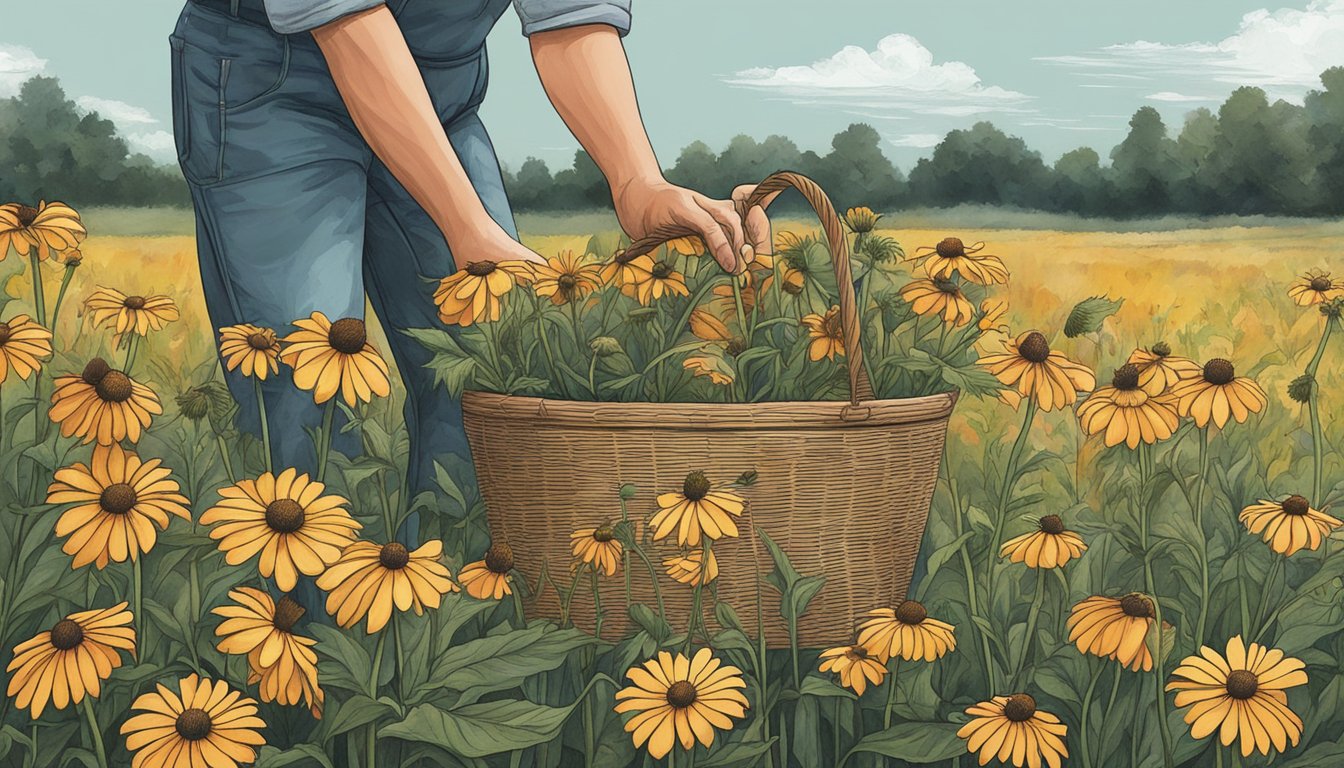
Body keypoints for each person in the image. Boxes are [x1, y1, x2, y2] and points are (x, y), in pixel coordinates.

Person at [170, 0, 771, 541]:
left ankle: (454, 598)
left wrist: (637, 182)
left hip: (439, 90)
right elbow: (346, 18)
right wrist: (467, 226)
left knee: (486, 366)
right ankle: (321, 641)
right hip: (270, 88)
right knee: (308, 380)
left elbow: (572, 13)